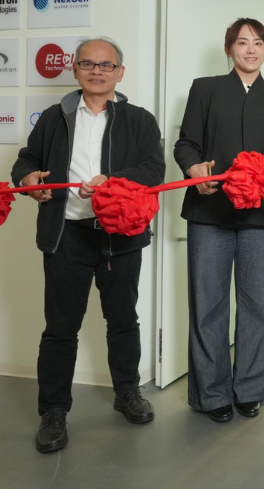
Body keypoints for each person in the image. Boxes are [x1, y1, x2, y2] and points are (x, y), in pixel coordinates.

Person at [12, 36, 165, 453]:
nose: (97, 71)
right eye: (88, 64)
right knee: (61, 329)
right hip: (67, 237)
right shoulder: (54, 117)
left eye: (106, 64)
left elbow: (154, 170)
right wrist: (26, 180)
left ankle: (128, 392)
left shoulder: (139, 120)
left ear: (120, 72)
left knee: (122, 320)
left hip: (121, 236)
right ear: (75, 69)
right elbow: (26, 161)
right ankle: (54, 412)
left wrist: (116, 182)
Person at [173, 18, 264, 423]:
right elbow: (186, 143)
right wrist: (194, 171)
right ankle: (210, 394)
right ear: (229, 49)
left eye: (258, 42)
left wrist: (263, 174)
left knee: (258, 304)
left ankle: (250, 389)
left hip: (259, 214)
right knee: (208, 304)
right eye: (242, 42)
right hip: (209, 211)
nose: (250, 49)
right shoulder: (204, 89)